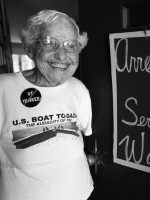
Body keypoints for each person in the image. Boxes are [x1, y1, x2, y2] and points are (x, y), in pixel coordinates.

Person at [0, 10, 94, 200]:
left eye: (71, 46)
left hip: (81, 194)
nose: (61, 56)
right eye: (50, 43)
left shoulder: (79, 90)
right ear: (30, 50)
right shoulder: (3, 88)